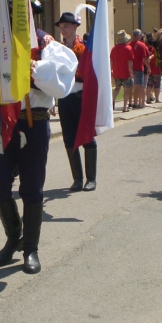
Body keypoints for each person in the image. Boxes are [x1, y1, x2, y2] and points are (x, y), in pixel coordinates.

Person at [0, 29, 77, 273]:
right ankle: (14, 236)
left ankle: (31, 248)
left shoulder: (44, 44)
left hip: (35, 120)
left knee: (32, 187)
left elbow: (62, 85)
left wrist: (34, 67)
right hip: (2, 121)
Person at [57, 12, 99, 192]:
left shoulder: (84, 47)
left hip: (82, 97)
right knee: (69, 139)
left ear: (75, 27)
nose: (63, 30)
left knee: (87, 137)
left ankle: (91, 179)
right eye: (61, 27)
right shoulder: (57, 48)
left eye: (66, 26)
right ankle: (77, 179)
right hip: (65, 97)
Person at [110, 30, 133, 112]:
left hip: (116, 71)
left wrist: (111, 70)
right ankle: (124, 107)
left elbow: (111, 61)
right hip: (126, 71)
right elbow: (130, 61)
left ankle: (112, 102)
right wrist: (131, 72)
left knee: (117, 88)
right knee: (126, 89)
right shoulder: (128, 48)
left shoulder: (113, 48)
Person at [130, 29, 150, 109]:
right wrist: (149, 67)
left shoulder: (129, 44)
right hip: (139, 68)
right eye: (140, 35)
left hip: (131, 68)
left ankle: (132, 102)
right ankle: (136, 103)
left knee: (131, 86)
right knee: (138, 86)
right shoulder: (142, 45)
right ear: (138, 36)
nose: (141, 36)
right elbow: (146, 59)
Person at [146, 34, 162, 103]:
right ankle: (157, 99)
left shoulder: (146, 49)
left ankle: (148, 99)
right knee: (157, 85)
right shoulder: (156, 50)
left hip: (149, 69)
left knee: (149, 85)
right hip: (156, 69)